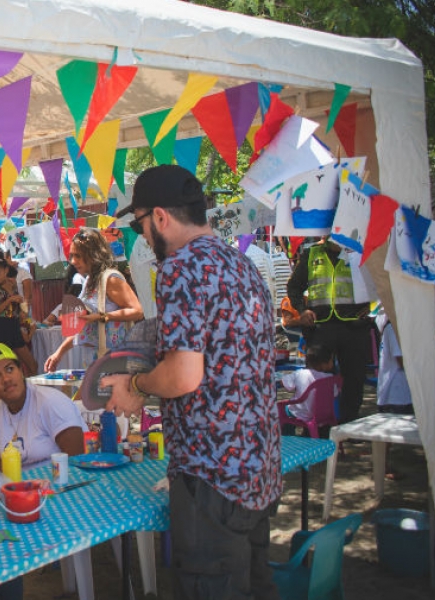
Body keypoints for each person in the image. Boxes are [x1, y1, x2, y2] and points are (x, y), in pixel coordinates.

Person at [103, 164, 280, 599]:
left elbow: (184, 374)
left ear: (160, 217)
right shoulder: (239, 263)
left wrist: (136, 387)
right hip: (258, 465)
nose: (143, 236)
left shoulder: (180, 267)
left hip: (213, 474)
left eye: (141, 224)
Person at [286, 235, 373, 424]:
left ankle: (348, 424)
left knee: (354, 378)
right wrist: (303, 310)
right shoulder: (311, 253)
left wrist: (372, 305)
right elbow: (294, 287)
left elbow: (378, 283)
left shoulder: (359, 253)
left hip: (354, 326)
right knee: (317, 379)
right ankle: (318, 425)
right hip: (321, 326)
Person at [44, 228, 143, 372]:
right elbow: (84, 325)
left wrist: (101, 316)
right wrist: (59, 353)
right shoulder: (89, 280)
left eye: (78, 255)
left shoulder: (111, 279)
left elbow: (137, 311)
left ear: (93, 254)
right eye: (72, 256)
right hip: (93, 358)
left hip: (114, 360)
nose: (73, 261)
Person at [0, 343, 87, 471]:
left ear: (21, 370)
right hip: (17, 488)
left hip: (61, 485)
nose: (6, 379)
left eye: (10, 369)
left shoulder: (51, 403)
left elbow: (77, 464)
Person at [0, 251, 38, 375]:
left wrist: (21, 310)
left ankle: (31, 391)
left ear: (6, 271)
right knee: (5, 368)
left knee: (32, 365)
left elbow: (15, 306)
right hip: (0, 328)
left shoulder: (13, 284)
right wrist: (9, 300)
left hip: (14, 326)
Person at [279, 344, 335, 426]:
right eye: (331, 360)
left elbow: (284, 383)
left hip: (301, 413)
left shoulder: (300, 373)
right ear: (324, 364)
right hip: (324, 415)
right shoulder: (331, 378)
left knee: (281, 409)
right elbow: (335, 394)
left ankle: (288, 434)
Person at [376, 310, 413, 415]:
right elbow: (401, 359)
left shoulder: (399, 328)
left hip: (403, 393)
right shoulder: (394, 329)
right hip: (396, 395)